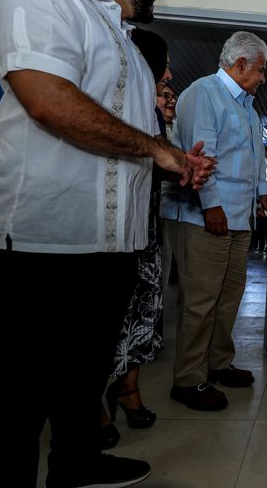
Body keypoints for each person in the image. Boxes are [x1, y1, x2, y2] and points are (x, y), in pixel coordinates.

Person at [0, 0, 213, 486]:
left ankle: (77, 464)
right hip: (43, 238)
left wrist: (175, 160)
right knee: (20, 388)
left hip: (114, 244)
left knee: (84, 374)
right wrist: (158, 150)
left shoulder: (127, 46)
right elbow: (49, 101)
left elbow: (129, 141)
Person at [161, 31, 267, 411]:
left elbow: (254, 158)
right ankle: (188, 379)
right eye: (260, 70)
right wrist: (211, 205)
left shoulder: (249, 109)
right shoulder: (203, 94)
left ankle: (218, 363)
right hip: (204, 216)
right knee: (200, 300)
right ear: (240, 64)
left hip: (240, 218)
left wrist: (262, 192)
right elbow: (201, 157)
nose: (262, 78)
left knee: (229, 296)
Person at [101, 28, 176, 448]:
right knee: (106, 315)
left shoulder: (152, 109)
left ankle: (128, 388)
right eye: (163, 64)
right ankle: (90, 402)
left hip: (144, 225)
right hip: (109, 225)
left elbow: (157, 160)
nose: (168, 74)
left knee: (143, 307)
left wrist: (185, 165)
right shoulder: (111, 99)